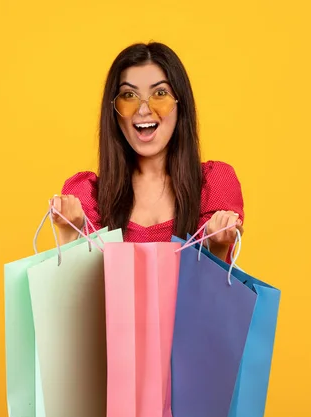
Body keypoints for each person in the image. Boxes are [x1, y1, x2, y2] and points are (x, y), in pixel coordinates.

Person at [50, 42, 244, 262]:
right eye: (129, 95)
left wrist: (217, 244)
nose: (143, 109)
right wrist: (69, 234)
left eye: (160, 93)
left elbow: (212, 292)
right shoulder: (89, 196)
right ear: (113, 110)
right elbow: (81, 293)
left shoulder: (214, 185)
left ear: (181, 105)